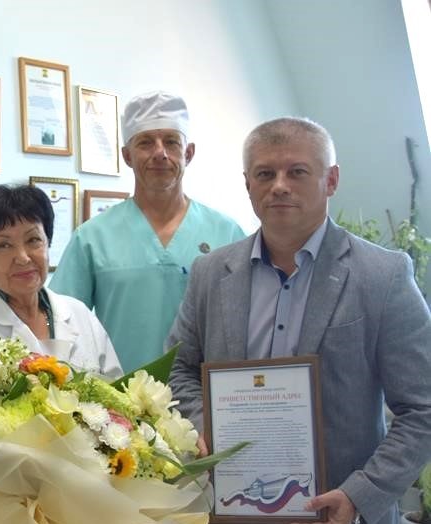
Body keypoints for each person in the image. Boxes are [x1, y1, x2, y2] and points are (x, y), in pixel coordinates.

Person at [167, 117, 431, 524]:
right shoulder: (210, 273)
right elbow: (179, 370)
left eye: (297, 172)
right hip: (231, 506)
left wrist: (361, 494)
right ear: (247, 184)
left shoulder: (383, 276)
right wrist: (209, 426)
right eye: (265, 174)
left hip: (341, 512)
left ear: (331, 180)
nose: (279, 186)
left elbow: (422, 407)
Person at [50, 91, 244, 371]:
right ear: (127, 156)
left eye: (171, 142)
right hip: (120, 394)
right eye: (145, 143)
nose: (160, 153)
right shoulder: (92, 238)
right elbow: (63, 325)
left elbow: (249, 322)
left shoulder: (227, 233)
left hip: (205, 393)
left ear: (189, 153)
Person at [0, 184, 123, 419]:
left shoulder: (79, 313)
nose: (22, 257)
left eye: (33, 240)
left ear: (48, 243)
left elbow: (117, 404)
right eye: (3, 245)